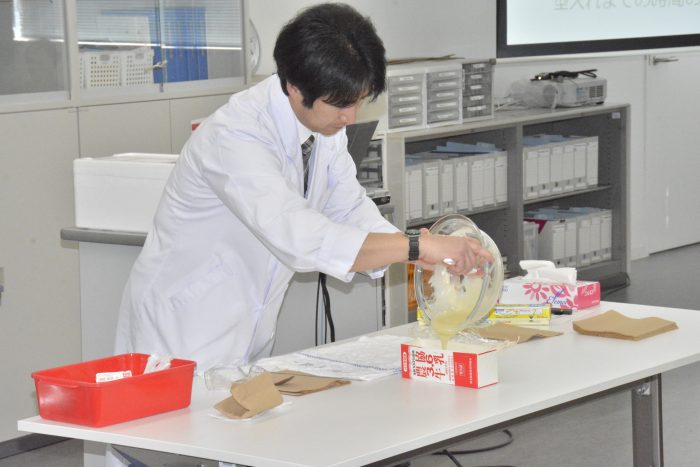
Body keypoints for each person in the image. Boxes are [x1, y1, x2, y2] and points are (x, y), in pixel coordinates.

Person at [114, 2, 492, 374]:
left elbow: (348, 207)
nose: (350, 117)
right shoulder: (235, 136)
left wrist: (416, 251)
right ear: (294, 88)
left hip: (245, 327)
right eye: (340, 104)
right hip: (182, 332)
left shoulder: (323, 126)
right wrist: (415, 246)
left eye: (359, 101)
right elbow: (298, 235)